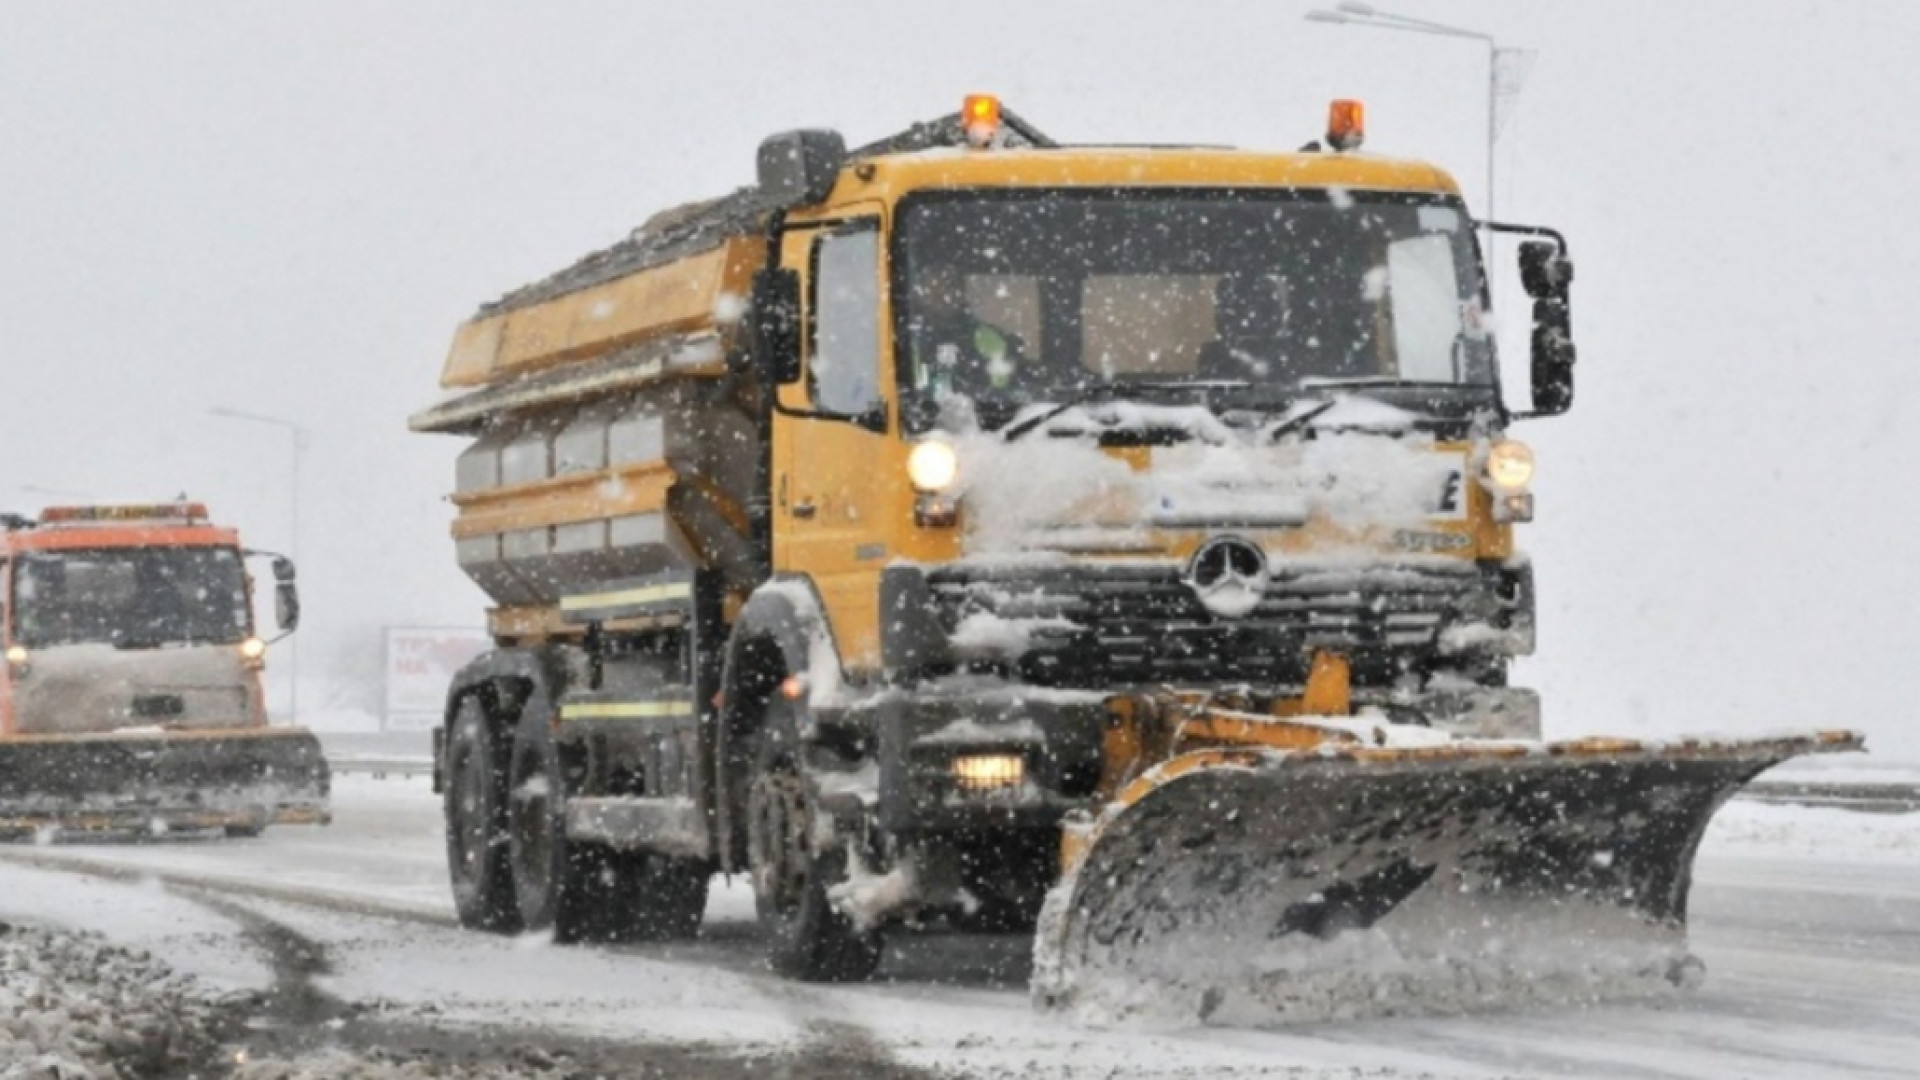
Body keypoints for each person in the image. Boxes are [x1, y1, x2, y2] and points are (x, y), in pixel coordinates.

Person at [904, 263, 1027, 398]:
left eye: (946, 288)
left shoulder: (989, 339)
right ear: (919, 296)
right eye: (932, 290)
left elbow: (1005, 397)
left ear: (960, 293)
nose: (939, 297)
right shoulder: (906, 340)